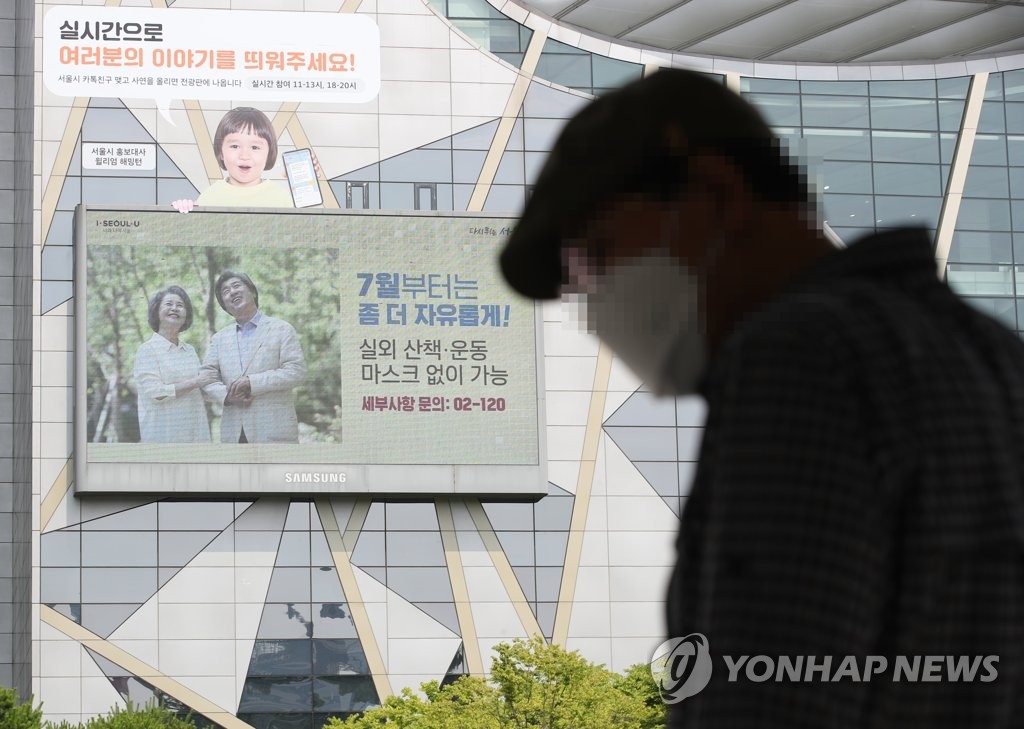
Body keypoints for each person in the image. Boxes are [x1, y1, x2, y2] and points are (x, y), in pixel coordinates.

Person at [499, 68, 1024, 727]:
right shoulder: (995, 354)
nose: (594, 305)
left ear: (717, 193)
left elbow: (766, 690)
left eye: (598, 257)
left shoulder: (804, 353)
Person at [201, 270, 306, 443]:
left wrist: (252, 382)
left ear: (253, 292)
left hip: (274, 429)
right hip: (234, 432)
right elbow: (206, 377)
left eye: (236, 286)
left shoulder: (282, 329)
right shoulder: (219, 339)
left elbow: (296, 371)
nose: (232, 292)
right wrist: (227, 396)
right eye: (225, 291)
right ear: (224, 305)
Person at [132, 286, 213, 443]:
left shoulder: (189, 350)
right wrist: (196, 382)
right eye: (169, 304)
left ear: (186, 315)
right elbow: (155, 393)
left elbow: (201, 388)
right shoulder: (147, 350)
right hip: (163, 437)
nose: (175, 308)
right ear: (156, 311)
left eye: (180, 305)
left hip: (195, 435)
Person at [172, 107, 294, 211]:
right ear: (221, 152)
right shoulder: (210, 197)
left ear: (269, 153)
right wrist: (185, 209)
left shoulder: (281, 198)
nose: (244, 156)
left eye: (255, 147)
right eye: (235, 146)